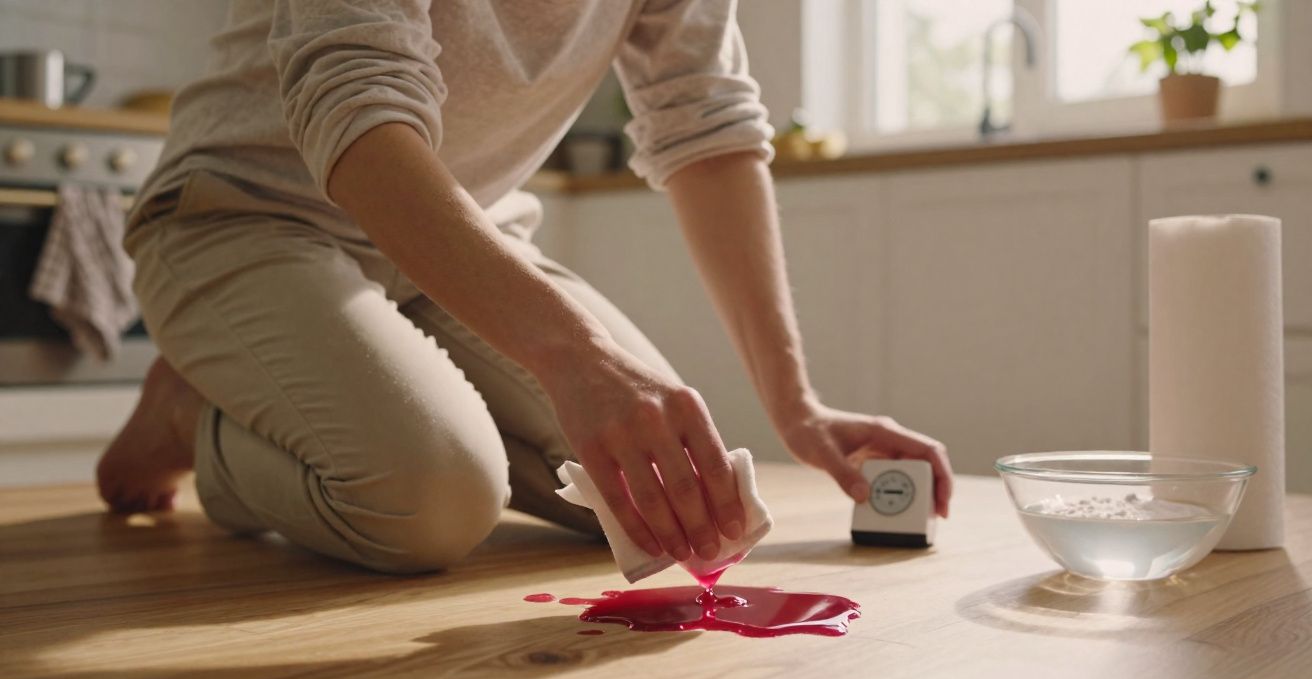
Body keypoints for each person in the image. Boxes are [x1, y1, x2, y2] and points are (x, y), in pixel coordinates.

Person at [97, 0, 954, 574]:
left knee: (658, 502)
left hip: (464, 235)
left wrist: (797, 405)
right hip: (245, 216)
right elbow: (355, 106)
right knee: (434, 501)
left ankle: (363, 398)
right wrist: (574, 354)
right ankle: (193, 416)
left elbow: (708, 127)